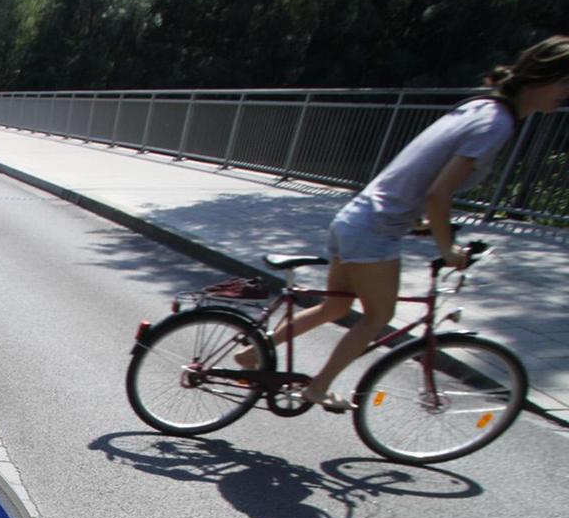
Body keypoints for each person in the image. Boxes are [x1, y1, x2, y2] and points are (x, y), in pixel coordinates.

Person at [235, 35, 569, 412]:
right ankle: (317, 387)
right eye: (565, 83)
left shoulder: (480, 107)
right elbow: (439, 193)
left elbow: (420, 179)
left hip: (355, 218)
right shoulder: (497, 123)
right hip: (374, 229)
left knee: (335, 307)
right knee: (379, 315)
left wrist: (421, 222)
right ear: (543, 77)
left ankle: (253, 354)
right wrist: (448, 249)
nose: (566, 94)